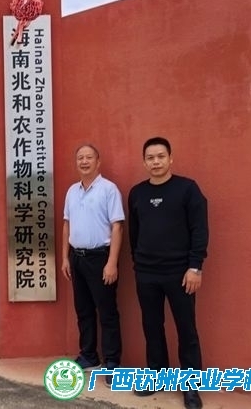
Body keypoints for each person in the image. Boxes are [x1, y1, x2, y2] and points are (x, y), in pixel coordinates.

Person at [128, 137, 208, 409]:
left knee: (186, 330)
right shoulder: (137, 193)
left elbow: (200, 230)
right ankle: (157, 376)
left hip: (181, 274)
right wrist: (138, 263)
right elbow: (134, 233)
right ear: (144, 162)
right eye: (150, 157)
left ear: (170, 158)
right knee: (152, 327)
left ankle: (191, 387)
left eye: (161, 156)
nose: (156, 162)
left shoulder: (188, 189)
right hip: (146, 273)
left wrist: (195, 267)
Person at [61, 144, 124, 387]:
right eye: (80, 158)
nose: (84, 161)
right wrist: (65, 257)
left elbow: (117, 227)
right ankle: (89, 355)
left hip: (100, 258)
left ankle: (112, 362)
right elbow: (66, 224)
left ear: (98, 162)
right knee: (83, 310)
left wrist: (112, 263)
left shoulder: (109, 189)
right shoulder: (72, 191)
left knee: (107, 312)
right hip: (77, 258)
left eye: (89, 157)